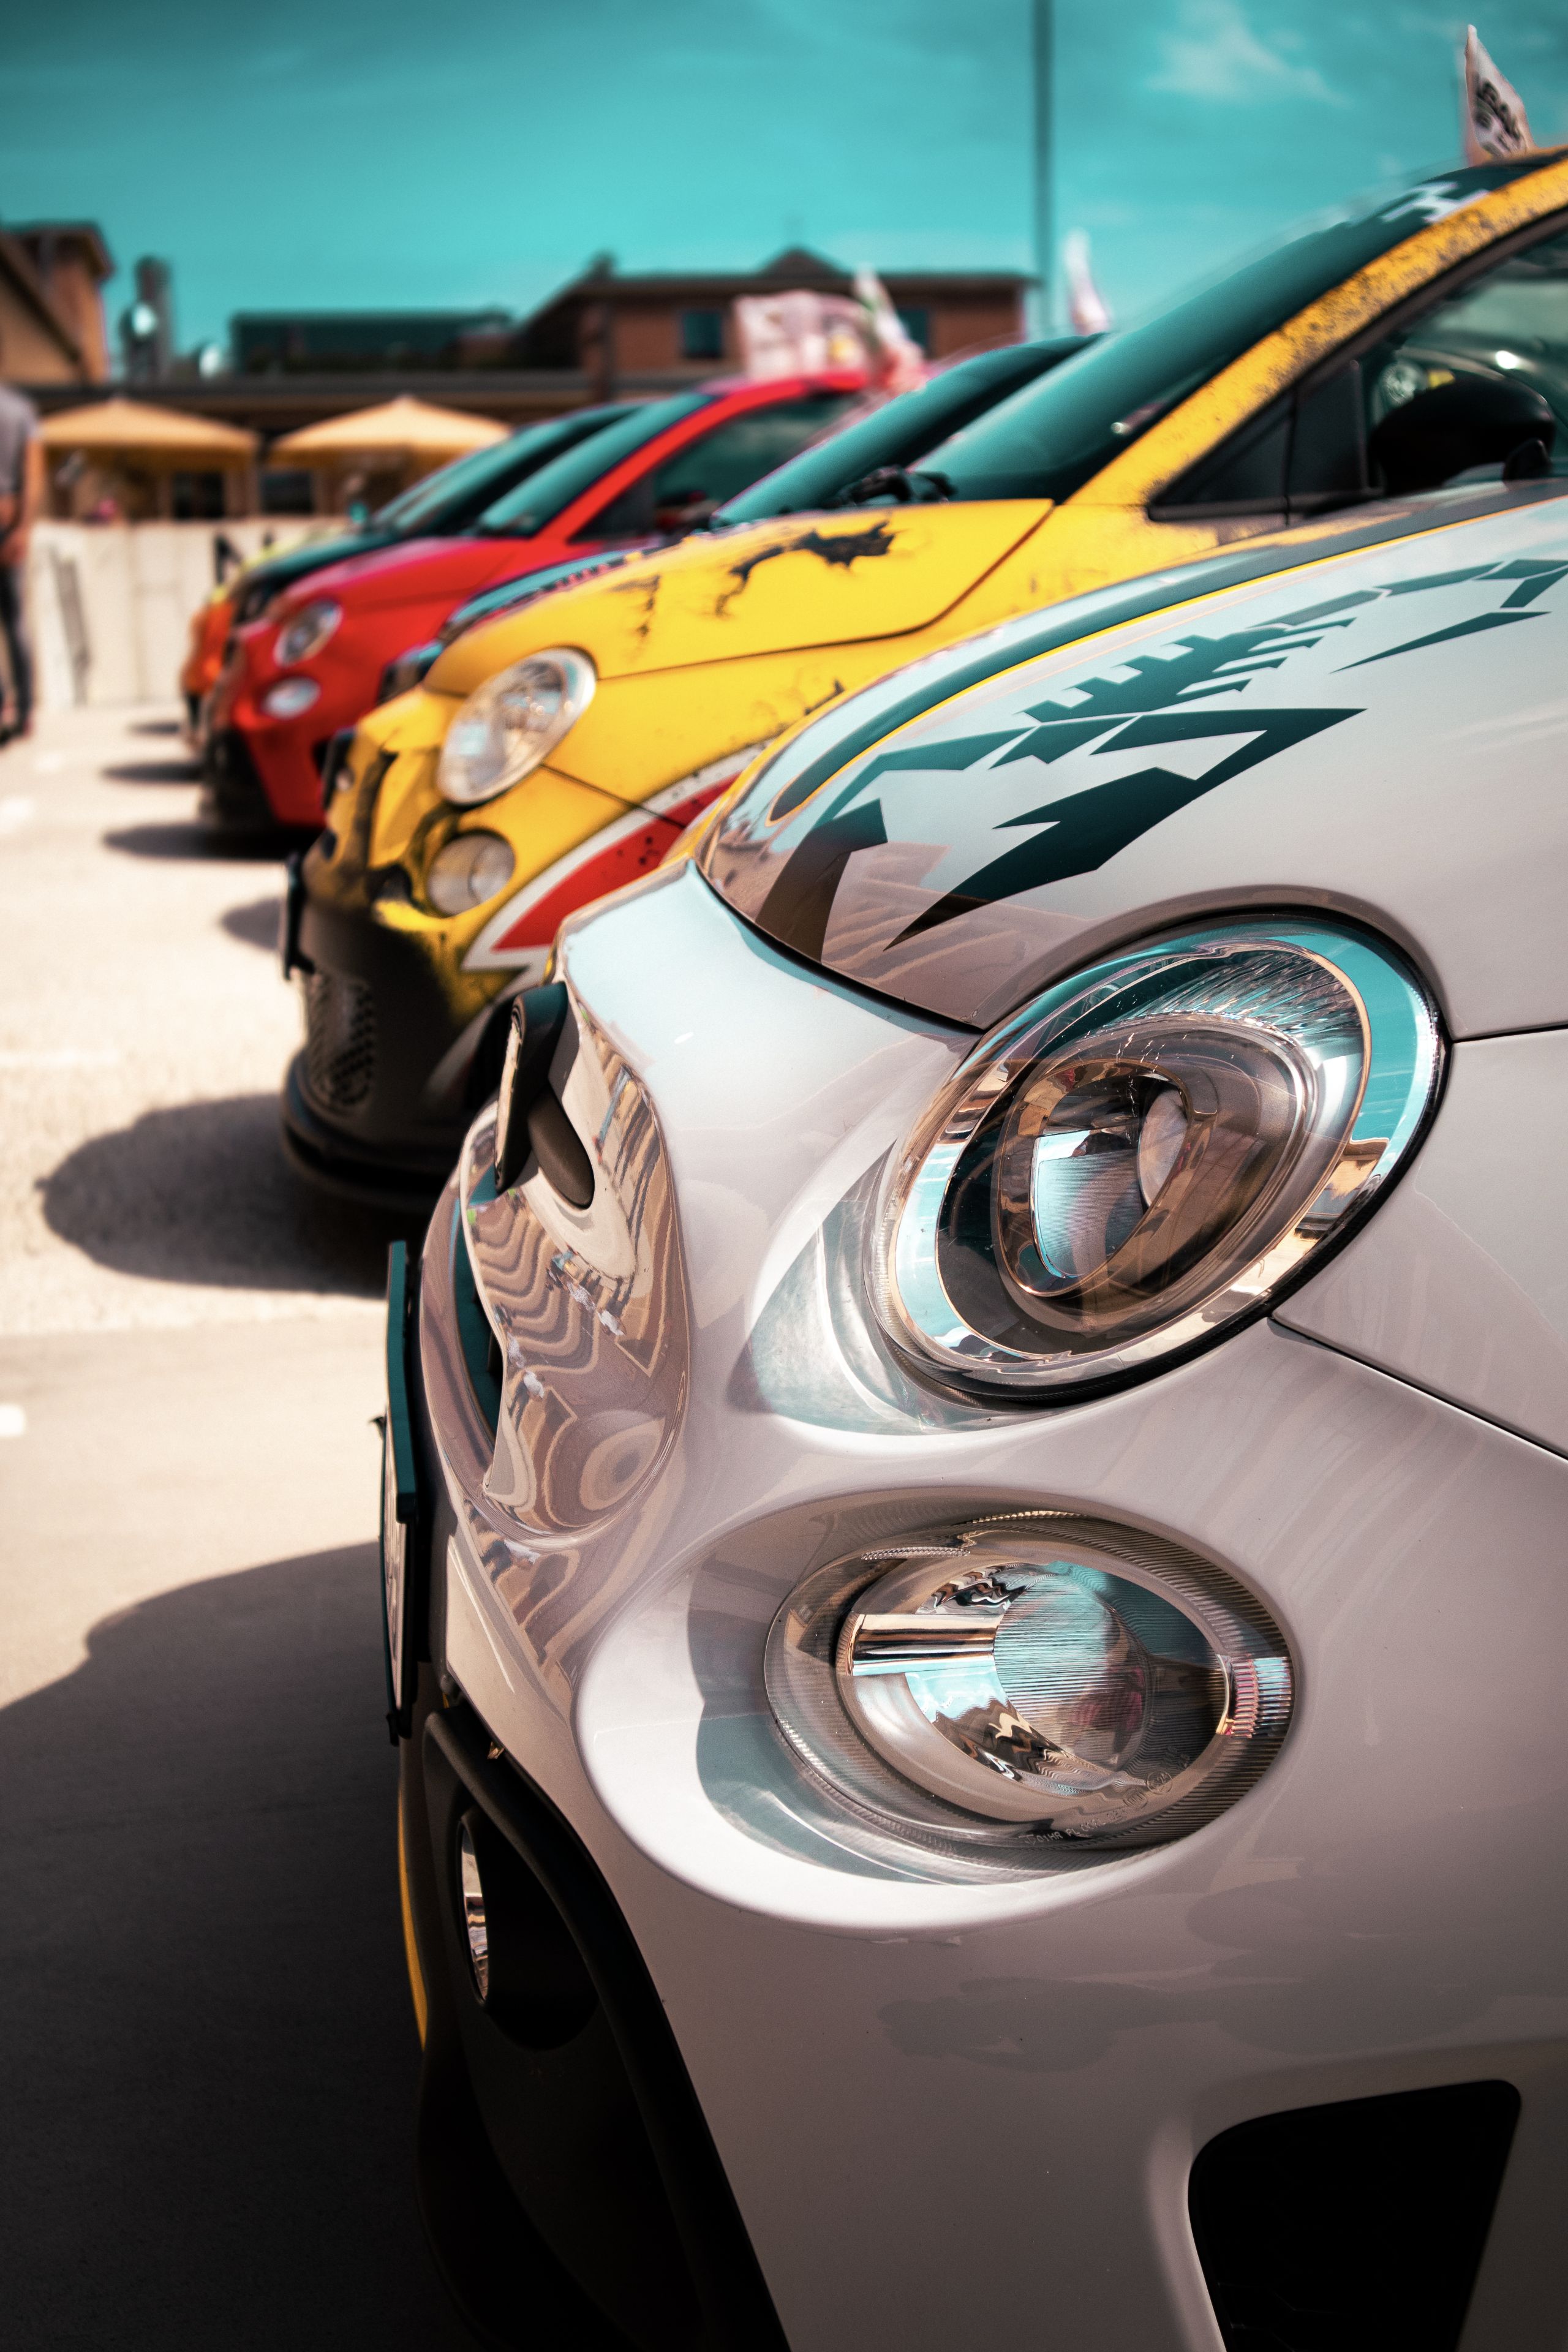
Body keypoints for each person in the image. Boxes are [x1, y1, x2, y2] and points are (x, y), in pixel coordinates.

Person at [0, 371, 43, 741]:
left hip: (8, 520)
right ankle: (24, 709)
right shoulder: (20, 410)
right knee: (14, 620)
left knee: (14, 622)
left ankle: (9, 704)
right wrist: (24, 527)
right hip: (8, 517)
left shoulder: (18, 409)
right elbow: (33, 474)